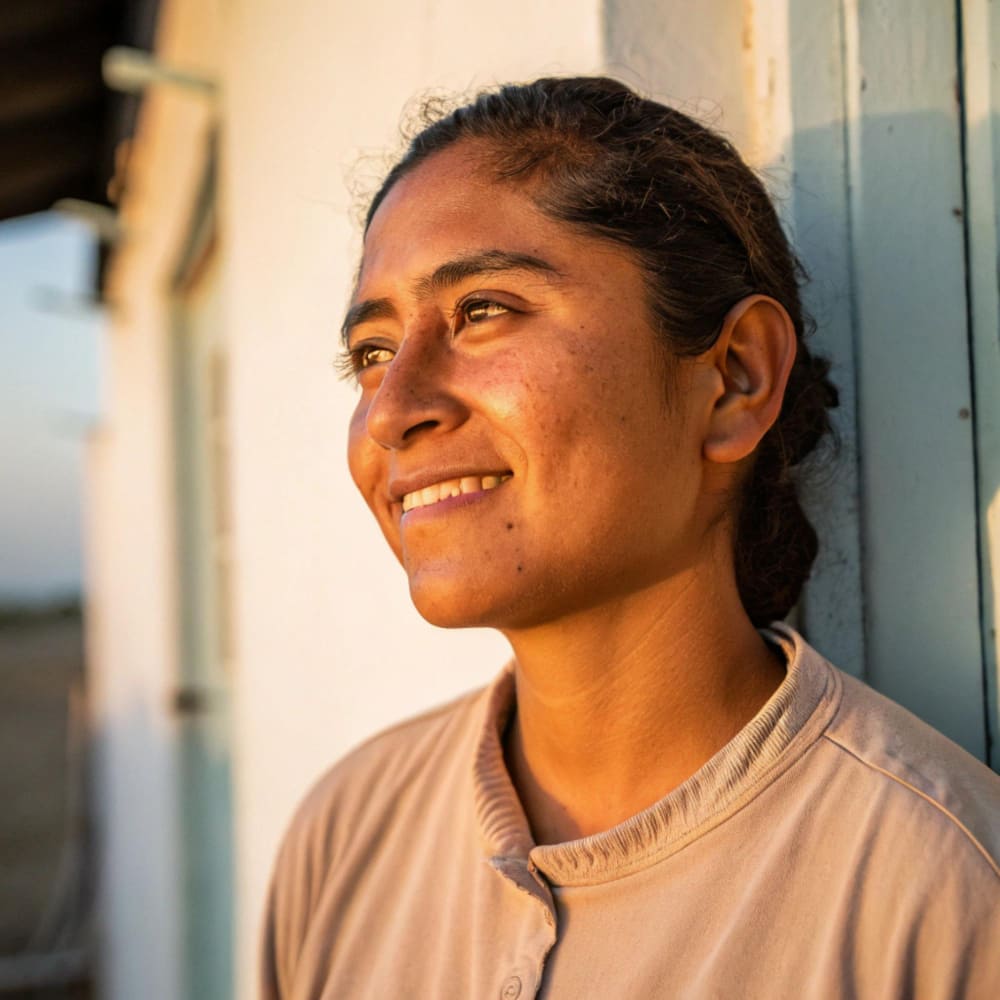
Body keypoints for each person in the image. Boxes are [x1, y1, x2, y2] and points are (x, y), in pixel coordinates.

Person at [260, 77, 1000, 999]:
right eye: (372, 353)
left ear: (732, 378)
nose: (393, 410)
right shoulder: (344, 840)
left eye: (483, 309)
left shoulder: (940, 897)